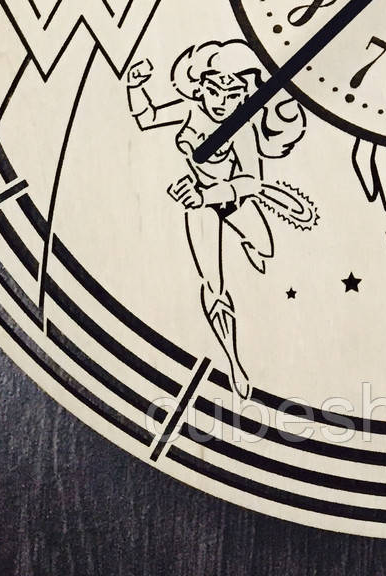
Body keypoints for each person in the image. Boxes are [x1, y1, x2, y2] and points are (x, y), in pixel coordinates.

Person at [126, 39, 307, 399]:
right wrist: (135, 86)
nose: (221, 101)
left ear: (245, 96)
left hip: (230, 199)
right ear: (200, 86)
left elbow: (250, 181)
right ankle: (234, 362)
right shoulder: (188, 110)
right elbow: (147, 118)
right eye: (213, 90)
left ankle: (250, 244)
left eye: (233, 93)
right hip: (199, 203)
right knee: (214, 283)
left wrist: (210, 195)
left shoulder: (243, 129)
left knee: (265, 248)